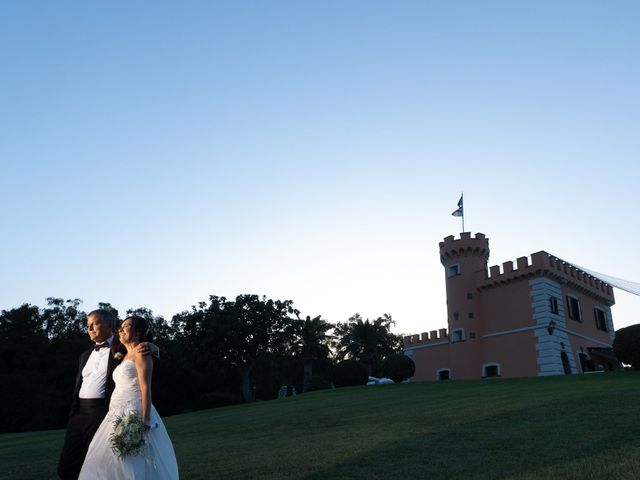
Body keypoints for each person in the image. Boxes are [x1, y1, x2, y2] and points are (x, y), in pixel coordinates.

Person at [58, 309, 159, 480]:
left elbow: (142, 353)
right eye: (88, 324)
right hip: (79, 415)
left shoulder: (122, 347)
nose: (90, 328)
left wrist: (155, 348)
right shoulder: (85, 355)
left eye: (95, 323)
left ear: (109, 325)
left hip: (102, 412)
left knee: (103, 465)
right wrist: (73, 414)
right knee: (66, 467)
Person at [78, 315, 179, 479]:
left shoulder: (142, 352)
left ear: (138, 332)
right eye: (121, 326)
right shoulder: (122, 355)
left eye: (127, 326)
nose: (121, 329)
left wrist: (145, 419)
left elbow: (145, 387)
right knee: (106, 460)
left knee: (132, 459)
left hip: (133, 412)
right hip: (114, 413)